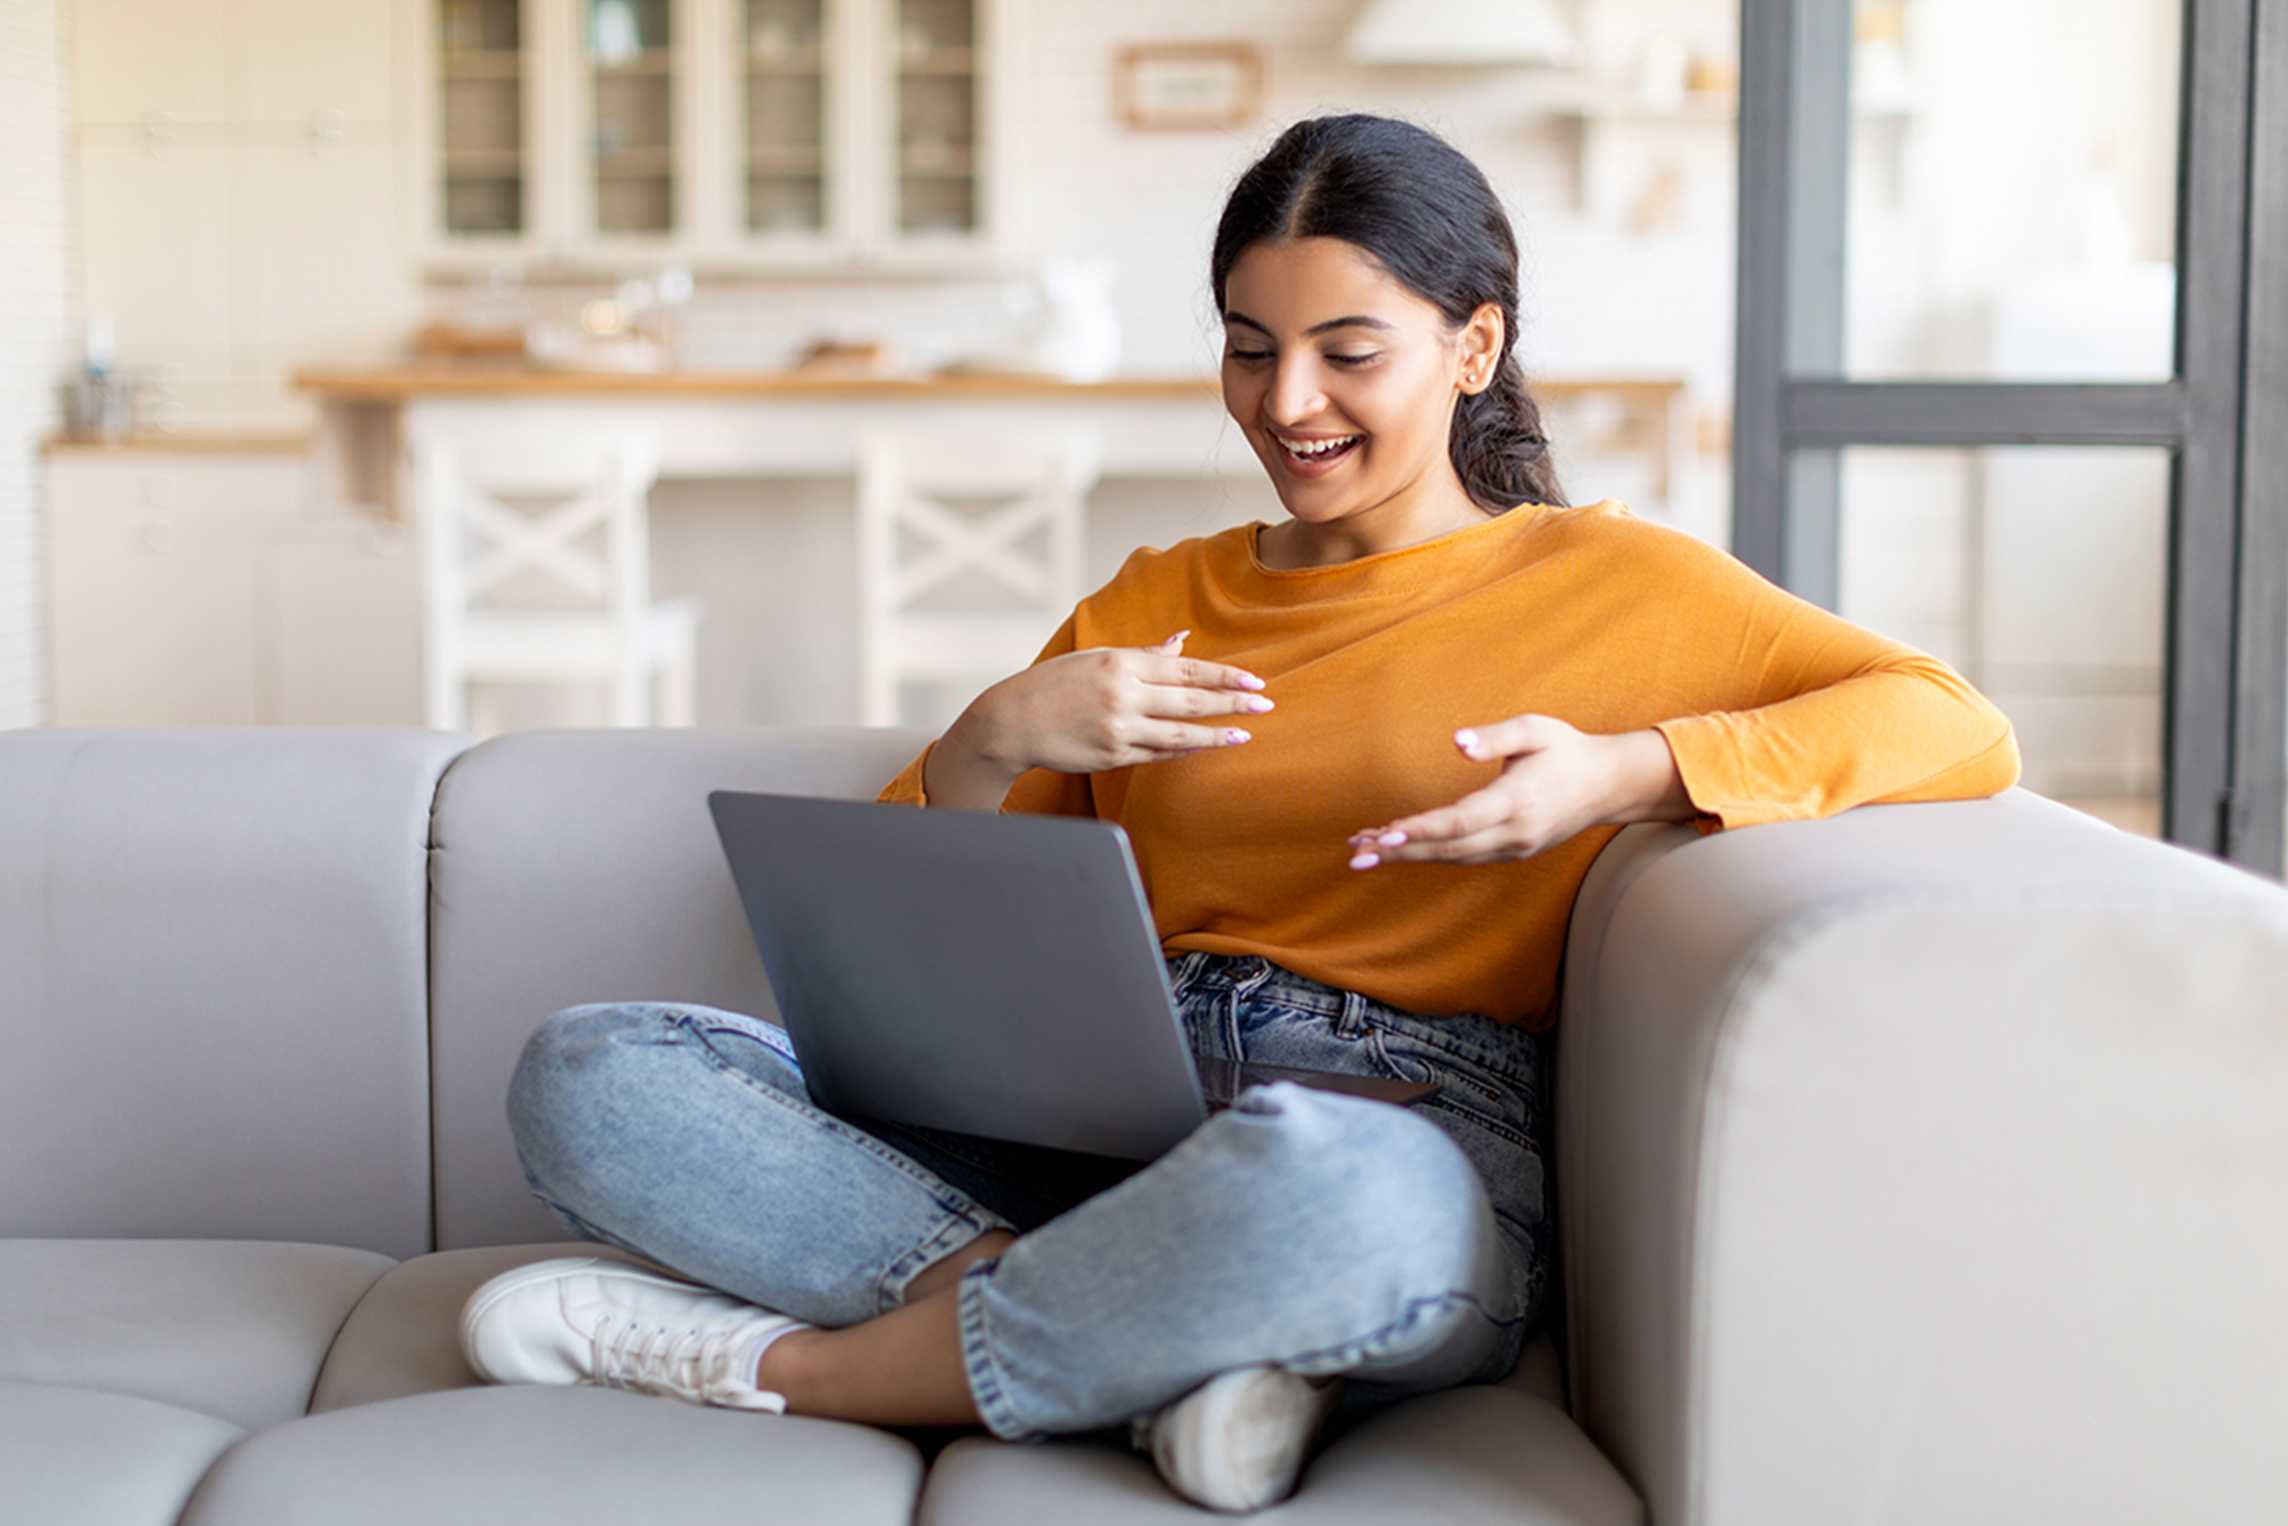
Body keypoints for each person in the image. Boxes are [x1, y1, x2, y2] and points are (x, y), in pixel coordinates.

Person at [459, 112, 2022, 1513]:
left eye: (1352, 350)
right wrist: (996, 734)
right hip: (1089, 1122)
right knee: (590, 1068)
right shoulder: (1161, 595)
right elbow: (909, 919)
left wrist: (1624, 771)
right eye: (1247, 347)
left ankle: (790, 1370)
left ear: (1475, 346)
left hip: (1402, 1135)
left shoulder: (1620, 585)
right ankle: (1174, 1337)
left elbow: (1957, 722)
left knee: (1322, 1203)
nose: (1290, 402)